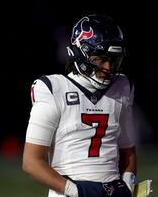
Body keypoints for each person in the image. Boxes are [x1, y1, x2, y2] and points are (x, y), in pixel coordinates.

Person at [22, 14, 137, 197]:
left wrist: (129, 185)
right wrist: (77, 191)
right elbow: (31, 162)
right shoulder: (53, 89)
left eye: (113, 59)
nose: (108, 67)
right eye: (100, 58)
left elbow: (128, 150)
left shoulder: (121, 86)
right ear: (80, 53)